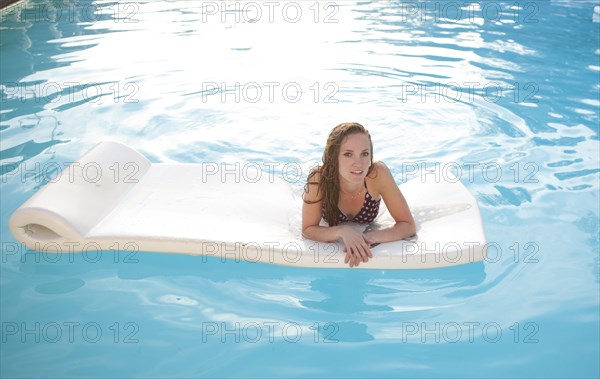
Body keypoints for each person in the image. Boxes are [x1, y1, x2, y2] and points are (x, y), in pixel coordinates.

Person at [302, 122, 416, 267]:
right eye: (348, 154)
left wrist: (366, 239)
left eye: (364, 154)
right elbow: (308, 228)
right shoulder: (319, 178)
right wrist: (342, 231)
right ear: (334, 158)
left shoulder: (377, 175)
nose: (359, 163)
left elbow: (408, 225)